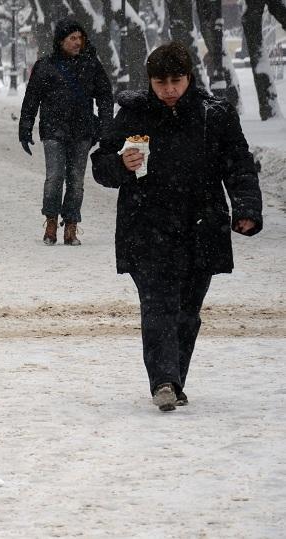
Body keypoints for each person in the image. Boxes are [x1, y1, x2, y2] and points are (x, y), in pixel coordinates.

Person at [91, 42, 263, 412]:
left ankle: (175, 378)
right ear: (149, 81)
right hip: (146, 227)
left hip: (201, 226)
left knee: (187, 311)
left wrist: (246, 207)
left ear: (189, 78)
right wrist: (121, 163)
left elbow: (239, 164)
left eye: (176, 80)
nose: (169, 89)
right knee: (159, 307)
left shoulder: (213, 115)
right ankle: (164, 381)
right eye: (160, 81)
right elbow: (101, 164)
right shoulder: (133, 115)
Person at [18, 19, 113, 246]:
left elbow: (105, 95)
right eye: (72, 38)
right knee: (55, 177)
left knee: (76, 180)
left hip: (82, 132)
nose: (77, 42)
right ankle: (51, 221)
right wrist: (25, 127)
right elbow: (31, 99)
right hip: (53, 130)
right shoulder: (45, 66)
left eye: (80, 38)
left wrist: (106, 125)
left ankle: (71, 225)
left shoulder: (91, 65)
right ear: (61, 41)